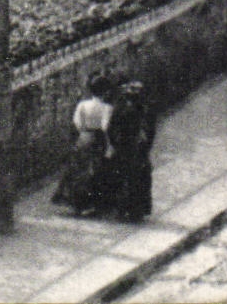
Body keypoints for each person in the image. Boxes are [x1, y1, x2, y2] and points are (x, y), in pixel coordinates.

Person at [52, 73, 114, 216]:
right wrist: (109, 144)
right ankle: (93, 204)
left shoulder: (82, 105)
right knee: (96, 171)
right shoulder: (106, 108)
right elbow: (105, 127)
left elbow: (77, 122)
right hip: (98, 139)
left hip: (83, 138)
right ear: (105, 92)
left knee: (78, 170)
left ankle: (77, 203)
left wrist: (83, 132)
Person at [106, 78, 157, 222]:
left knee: (124, 177)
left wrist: (116, 144)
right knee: (138, 178)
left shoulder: (122, 109)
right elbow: (150, 132)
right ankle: (136, 210)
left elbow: (112, 129)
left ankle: (124, 209)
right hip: (136, 149)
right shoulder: (145, 110)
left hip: (126, 148)